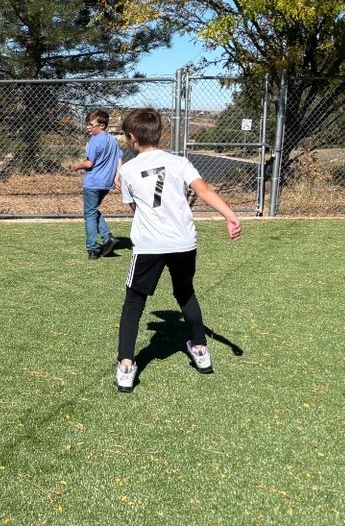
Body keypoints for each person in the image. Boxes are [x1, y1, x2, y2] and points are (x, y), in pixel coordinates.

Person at [113, 108, 241, 393]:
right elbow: (205, 191)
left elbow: (136, 209)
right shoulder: (180, 161)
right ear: (160, 134)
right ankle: (200, 350)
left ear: (131, 137)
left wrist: (121, 184)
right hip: (184, 243)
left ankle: (125, 366)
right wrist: (230, 215)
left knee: (133, 304)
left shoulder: (128, 170)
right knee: (185, 293)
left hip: (150, 246)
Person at [71, 109, 123, 260]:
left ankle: (93, 249)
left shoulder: (94, 140)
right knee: (92, 211)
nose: (88, 127)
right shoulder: (113, 140)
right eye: (87, 124)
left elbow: (89, 163)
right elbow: (120, 160)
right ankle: (108, 238)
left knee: (90, 214)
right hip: (106, 183)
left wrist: (76, 165)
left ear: (102, 126)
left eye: (91, 124)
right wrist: (116, 178)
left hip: (93, 182)